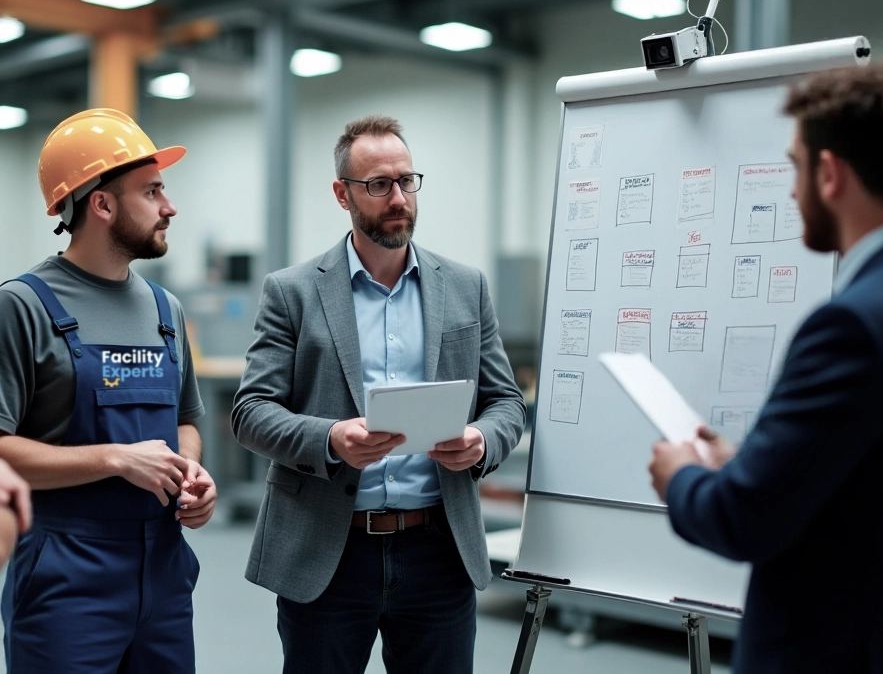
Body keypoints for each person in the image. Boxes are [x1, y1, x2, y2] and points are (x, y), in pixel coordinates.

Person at [648, 64, 883, 674]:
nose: (791, 191)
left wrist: (680, 475)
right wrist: (749, 464)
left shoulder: (855, 326)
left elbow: (741, 522)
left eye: (794, 165)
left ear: (830, 173)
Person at [232, 114, 525, 674]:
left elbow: (506, 402)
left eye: (407, 181)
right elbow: (250, 412)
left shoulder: (466, 287)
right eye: (378, 185)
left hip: (438, 551)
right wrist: (330, 439)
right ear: (343, 194)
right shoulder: (292, 292)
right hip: (329, 550)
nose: (398, 198)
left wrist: (481, 440)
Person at [0, 108, 217, 674]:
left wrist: (188, 472)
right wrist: (115, 459)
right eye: (152, 191)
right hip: (66, 573)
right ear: (101, 204)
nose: (169, 207)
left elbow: (188, 420)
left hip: (164, 570)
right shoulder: (22, 306)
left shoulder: (165, 309)